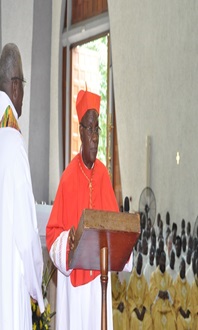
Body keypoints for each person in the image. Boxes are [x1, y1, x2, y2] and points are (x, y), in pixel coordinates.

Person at [46, 89, 133, 330]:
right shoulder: (68, 178)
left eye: (98, 129)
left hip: (98, 285)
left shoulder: (104, 174)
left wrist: (127, 237)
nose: (95, 137)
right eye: (90, 129)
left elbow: (114, 227)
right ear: (81, 132)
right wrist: (68, 241)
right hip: (74, 290)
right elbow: (53, 236)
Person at [0, 43, 44, 329]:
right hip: (9, 283)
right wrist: (35, 286)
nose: (24, 96)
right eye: (24, 85)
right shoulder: (12, 142)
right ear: (15, 87)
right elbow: (27, 235)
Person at [149, 251, 176, 329]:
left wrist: (167, 293)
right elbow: (152, 290)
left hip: (167, 306)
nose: (163, 262)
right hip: (157, 306)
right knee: (157, 320)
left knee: (171, 320)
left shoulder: (169, 277)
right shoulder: (153, 275)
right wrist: (159, 293)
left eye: (164, 260)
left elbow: (172, 289)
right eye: (161, 260)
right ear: (159, 261)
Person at [127, 253, 152, 330]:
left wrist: (143, 311)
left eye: (141, 262)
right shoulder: (132, 278)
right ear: (135, 262)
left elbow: (147, 297)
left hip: (142, 309)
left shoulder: (144, 280)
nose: (139, 263)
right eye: (138, 261)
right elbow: (129, 297)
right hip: (135, 310)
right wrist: (136, 311)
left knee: (148, 320)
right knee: (134, 319)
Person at [174, 258, 193, 330]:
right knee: (179, 321)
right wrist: (181, 311)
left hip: (187, 314)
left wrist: (188, 311)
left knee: (193, 321)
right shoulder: (175, 284)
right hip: (179, 313)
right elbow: (174, 300)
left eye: (184, 268)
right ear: (179, 268)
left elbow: (190, 301)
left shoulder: (188, 285)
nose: (183, 269)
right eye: (181, 267)